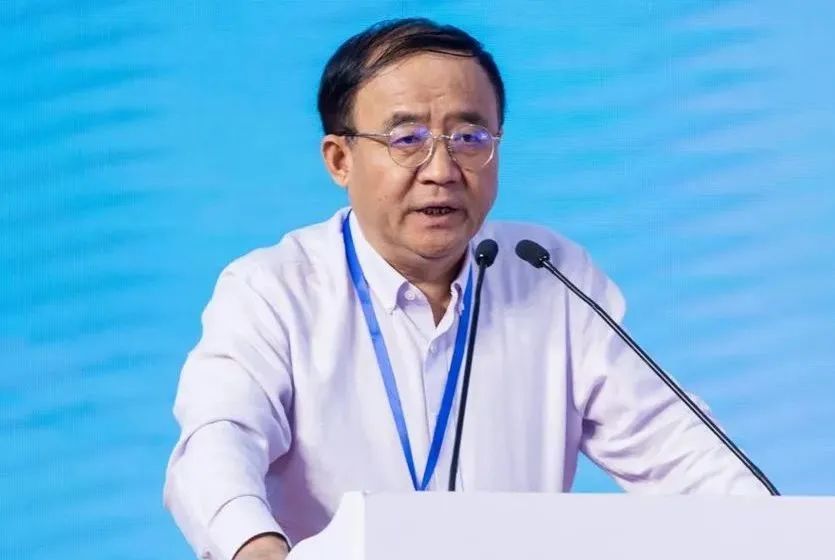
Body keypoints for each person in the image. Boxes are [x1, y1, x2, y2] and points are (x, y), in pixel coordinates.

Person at [164, 17, 768, 560]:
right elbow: (217, 443)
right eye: (407, 139)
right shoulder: (273, 289)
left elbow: (684, 457)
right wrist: (257, 550)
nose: (441, 170)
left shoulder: (548, 273)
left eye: (469, 139)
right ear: (339, 159)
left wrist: (778, 533)